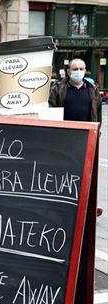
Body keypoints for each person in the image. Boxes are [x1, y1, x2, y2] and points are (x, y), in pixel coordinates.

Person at [49, 58, 103, 217]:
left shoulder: (92, 90)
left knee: (86, 176)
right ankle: (62, 205)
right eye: (75, 69)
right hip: (64, 139)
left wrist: (97, 133)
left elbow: (98, 116)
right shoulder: (58, 89)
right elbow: (50, 110)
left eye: (81, 69)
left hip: (86, 140)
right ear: (68, 71)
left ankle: (88, 207)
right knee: (63, 173)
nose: (78, 72)